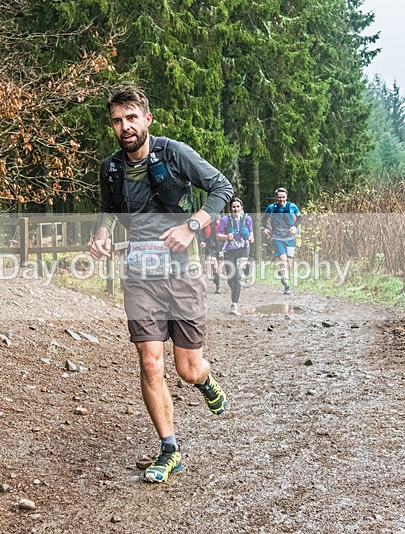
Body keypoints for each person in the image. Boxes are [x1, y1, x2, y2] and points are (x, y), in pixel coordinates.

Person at [90, 86, 233, 483]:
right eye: (118, 120)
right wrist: (100, 233)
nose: (125, 126)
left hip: (182, 275)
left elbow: (222, 188)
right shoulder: (111, 168)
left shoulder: (174, 153)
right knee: (150, 361)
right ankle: (169, 449)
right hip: (139, 277)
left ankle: (205, 379)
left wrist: (191, 226)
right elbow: (106, 207)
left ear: (147, 119)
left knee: (187, 369)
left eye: (132, 117)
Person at [216, 197, 253, 315]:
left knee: (237, 276)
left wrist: (251, 237)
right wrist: (226, 237)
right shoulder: (225, 220)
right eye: (233, 207)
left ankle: (234, 305)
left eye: (238, 206)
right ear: (230, 208)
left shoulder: (247, 218)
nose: (236, 209)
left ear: (241, 207)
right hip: (229, 250)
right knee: (231, 278)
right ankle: (234, 288)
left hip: (243, 249)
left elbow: (251, 231)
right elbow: (218, 235)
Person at [261, 187, 302, 294]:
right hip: (277, 238)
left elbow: (299, 217)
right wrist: (266, 228)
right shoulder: (271, 208)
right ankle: (287, 286)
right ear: (276, 198)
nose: (281, 200)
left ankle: (282, 274)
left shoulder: (292, 206)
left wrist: (294, 227)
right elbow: (264, 219)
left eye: (283, 197)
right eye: (279, 198)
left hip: (290, 239)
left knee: (289, 264)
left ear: (286, 197)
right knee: (283, 260)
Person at [199, 218, 223, 293]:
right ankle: (218, 285)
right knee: (214, 265)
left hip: (219, 245)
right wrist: (202, 241)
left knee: (217, 267)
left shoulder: (221, 221)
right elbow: (201, 234)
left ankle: (217, 283)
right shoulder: (205, 222)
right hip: (209, 246)